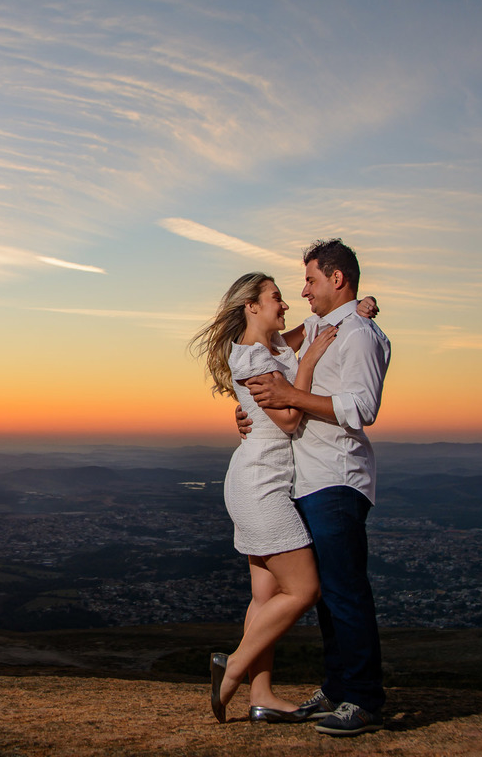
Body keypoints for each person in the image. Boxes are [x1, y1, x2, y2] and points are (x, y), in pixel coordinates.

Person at [189, 272, 377, 726]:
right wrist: (309, 361)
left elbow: (314, 328)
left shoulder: (273, 346)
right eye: (276, 297)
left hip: (263, 479)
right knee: (305, 588)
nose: (287, 304)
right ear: (251, 305)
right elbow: (290, 421)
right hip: (262, 483)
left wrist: (358, 306)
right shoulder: (254, 357)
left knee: (265, 595)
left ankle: (262, 694)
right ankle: (232, 667)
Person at [240, 238, 391, 737]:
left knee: (346, 592)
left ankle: (364, 698)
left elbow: (361, 407)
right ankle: (338, 686)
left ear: (337, 278)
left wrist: (292, 396)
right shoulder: (329, 329)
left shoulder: (360, 336)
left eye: (309, 280)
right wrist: (257, 412)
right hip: (308, 479)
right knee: (327, 594)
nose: (302, 291)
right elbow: (276, 362)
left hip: (337, 478)